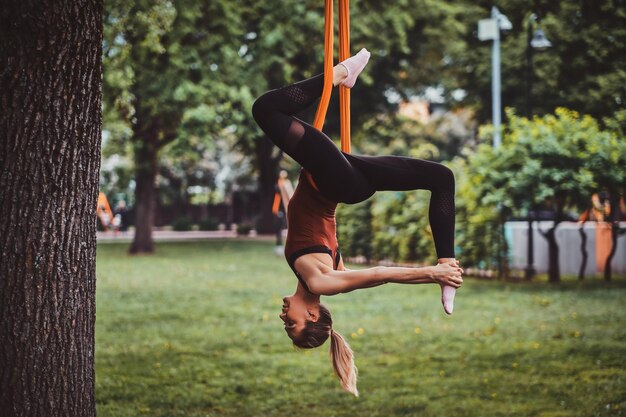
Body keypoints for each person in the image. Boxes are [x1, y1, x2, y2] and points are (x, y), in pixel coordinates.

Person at [252, 49, 463, 396]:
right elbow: (380, 274)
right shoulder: (320, 281)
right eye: (292, 323)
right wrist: (430, 275)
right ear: (314, 315)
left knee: (442, 178)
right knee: (266, 109)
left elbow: (316, 227)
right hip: (336, 182)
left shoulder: (320, 274)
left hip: (346, 180)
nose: (283, 318)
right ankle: (339, 75)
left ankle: (448, 261)